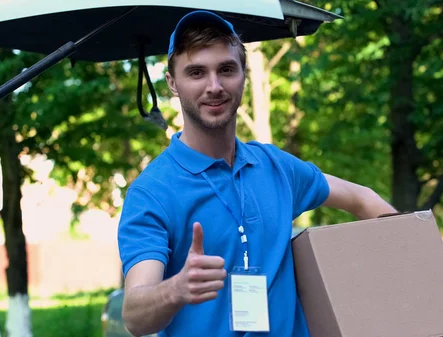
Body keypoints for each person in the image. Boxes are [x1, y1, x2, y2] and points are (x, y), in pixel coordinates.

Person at [117, 10, 397, 337]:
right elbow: (134, 316)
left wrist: (411, 276)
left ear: (243, 74)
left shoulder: (276, 167)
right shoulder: (152, 192)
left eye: (226, 69)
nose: (214, 86)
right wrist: (177, 288)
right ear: (172, 84)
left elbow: (364, 200)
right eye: (196, 73)